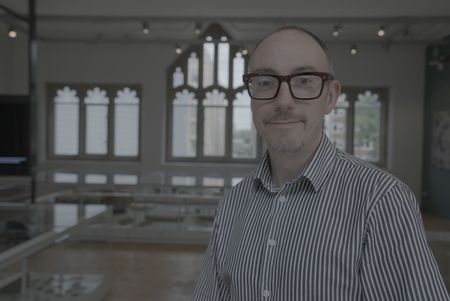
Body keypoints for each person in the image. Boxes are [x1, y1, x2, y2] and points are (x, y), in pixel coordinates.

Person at [192, 26, 449, 300]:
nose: (283, 101)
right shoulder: (233, 204)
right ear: (251, 94)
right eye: (266, 82)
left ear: (330, 96)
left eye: (303, 80)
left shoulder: (381, 201)